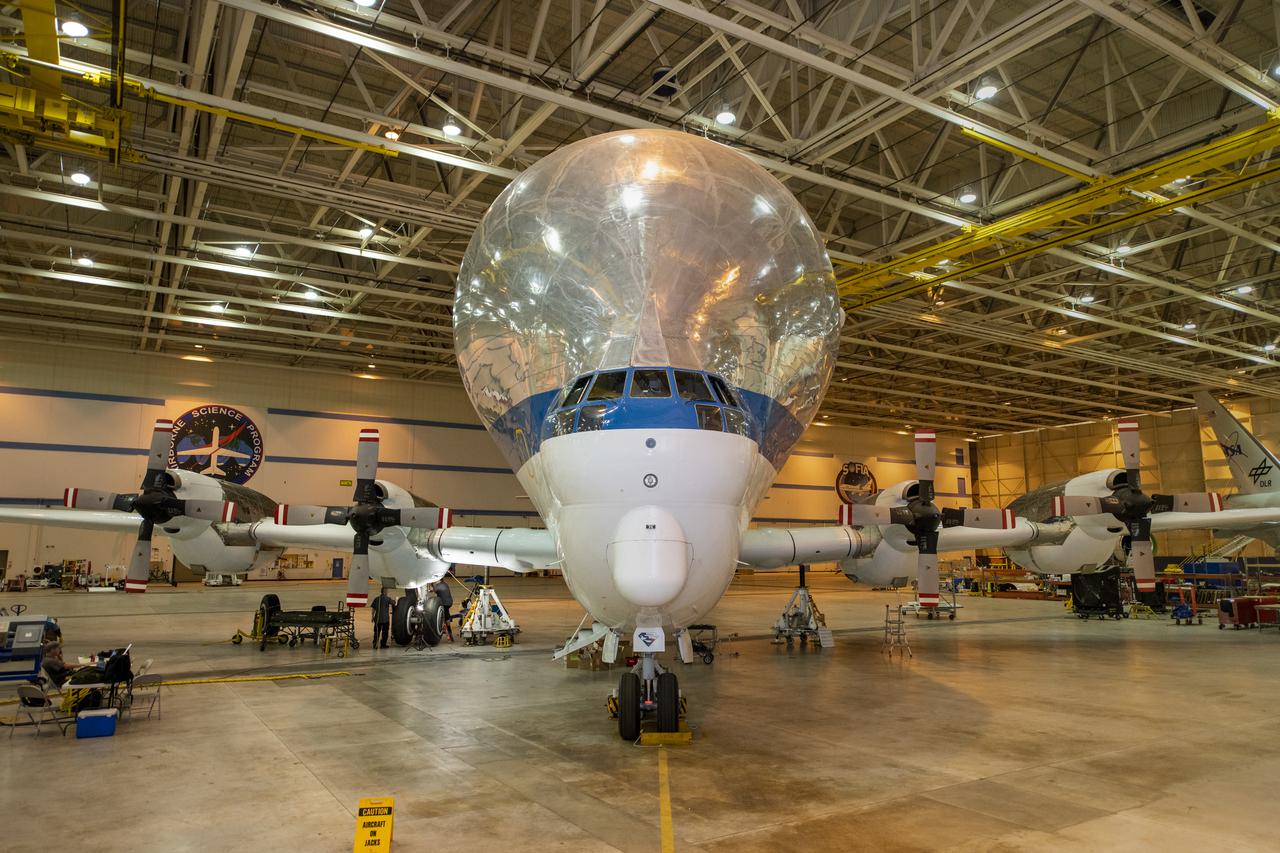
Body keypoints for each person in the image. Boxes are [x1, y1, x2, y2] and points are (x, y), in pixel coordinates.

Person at [432, 576, 454, 642]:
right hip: (448, 602)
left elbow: (433, 590)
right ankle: (449, 632)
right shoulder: (444, 584)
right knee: (446, 615)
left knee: (443, 617)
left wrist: (432, 584)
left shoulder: (439, 586)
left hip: (445, 603)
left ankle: (448, 633)